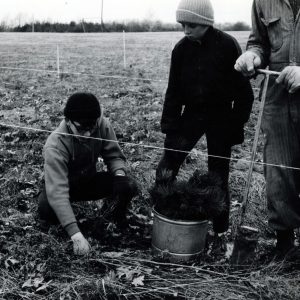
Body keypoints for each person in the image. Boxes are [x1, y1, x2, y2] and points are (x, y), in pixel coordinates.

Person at [156, 0, 254, 237]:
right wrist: (170, 127)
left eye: (191, 25)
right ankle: (162, 214)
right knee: (167, 165)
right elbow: (173, 91)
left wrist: (235, 125)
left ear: (206, 23)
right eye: (182, 25)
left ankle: (220, 230)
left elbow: (244, 93)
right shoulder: (180, 50)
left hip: (221, 115)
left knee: (218, 174)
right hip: (190, 115)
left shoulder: (228, 45)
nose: (186, 30)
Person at [235, 0, 300, 256]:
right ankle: (285, 244)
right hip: (277, 97)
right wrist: (252, 55)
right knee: (278, 169)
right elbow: (258, 41)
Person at [38, 92, 138, 256]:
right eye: (82, 128)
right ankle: (67, 226)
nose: (88, 134)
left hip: (89, 181)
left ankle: (114, 217)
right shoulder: (55, 145)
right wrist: (75, 235)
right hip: (64, 187)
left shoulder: (102, 125)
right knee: (46, 207)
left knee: (128, 184)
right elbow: (58, 192)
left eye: (92, 127)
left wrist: (119, 175)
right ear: (68, 121)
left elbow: (114, 155)